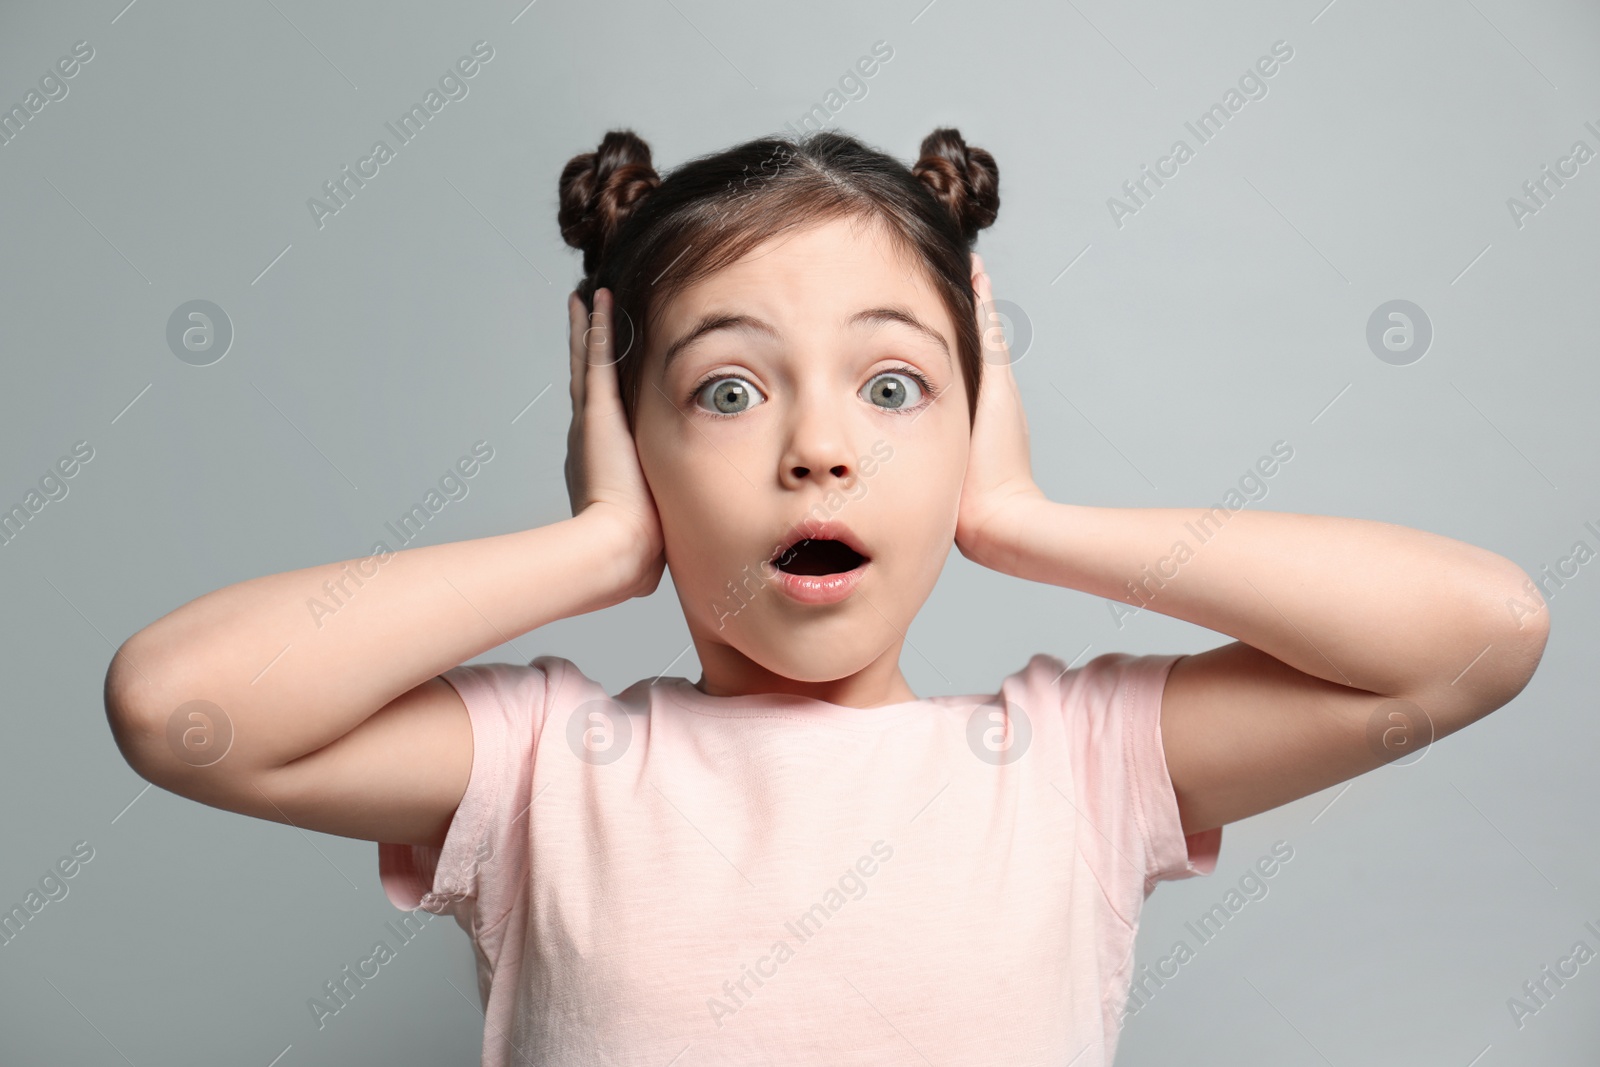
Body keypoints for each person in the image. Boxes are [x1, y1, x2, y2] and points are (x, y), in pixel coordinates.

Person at [102, 127, 1550, 1065]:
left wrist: (1026, 520)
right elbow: (181, 710)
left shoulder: (1075, 768)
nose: (820, 447)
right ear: (633, 436)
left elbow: (1480, 638)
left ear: (974, 422)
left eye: (897, 385)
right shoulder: (547, 772)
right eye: (727, 390)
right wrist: (599, 545)